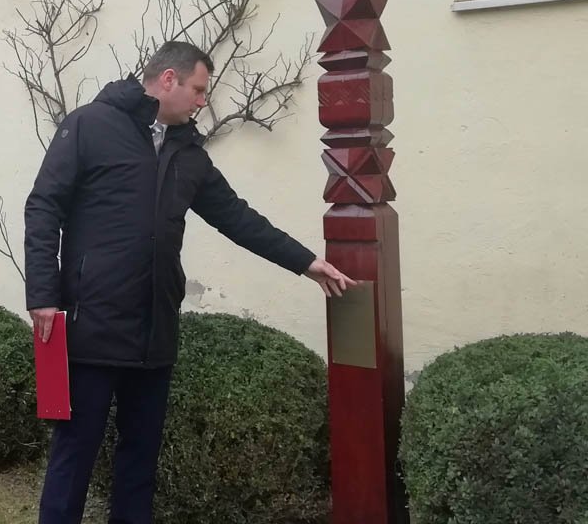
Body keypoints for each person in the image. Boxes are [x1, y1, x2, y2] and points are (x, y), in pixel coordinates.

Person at [25, 41, 356, 524]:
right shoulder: (89, 125)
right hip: (90, 325)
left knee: (140, 461)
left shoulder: (188, 152)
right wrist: (43, 295)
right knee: (74, 456)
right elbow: (43, 205)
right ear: (168, 80)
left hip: (154, 331)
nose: (203, 101)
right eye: (198, 90)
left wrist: (306, 263)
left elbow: (237, 218)